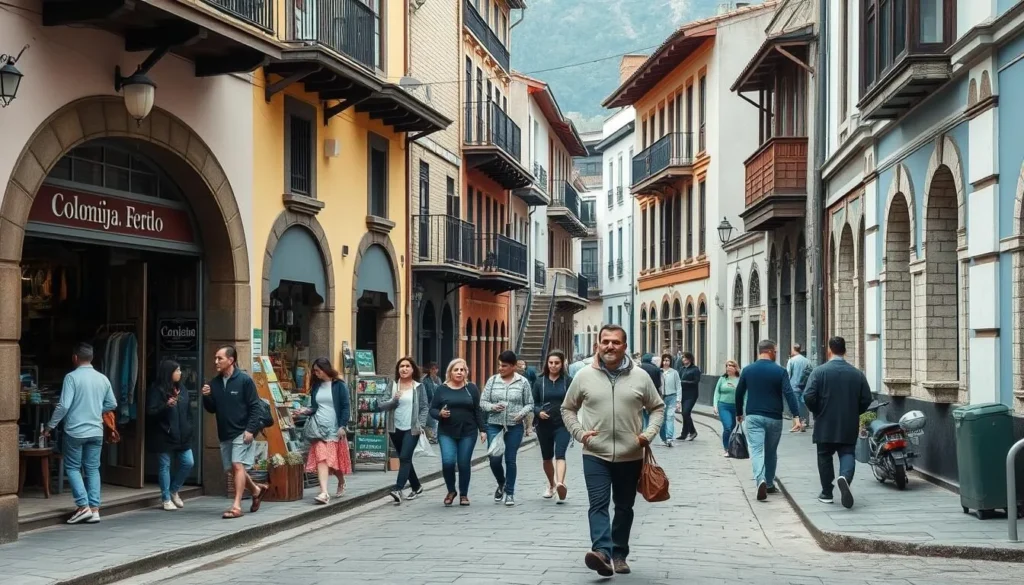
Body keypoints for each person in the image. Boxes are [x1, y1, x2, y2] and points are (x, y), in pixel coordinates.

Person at [562, 324, 665, 577]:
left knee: (624, 507)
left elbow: (658, 408)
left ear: (624, 347)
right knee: (598, 504)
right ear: (598, 344)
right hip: (594, 452)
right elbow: (568, 408)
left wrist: (647, 435)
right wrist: (579, 433)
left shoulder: (640, 376)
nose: (610, 346)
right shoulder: (583, 376)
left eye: (615, 342)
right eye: (605, 341)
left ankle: (619, 553)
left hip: (631, 454)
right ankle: (602, 553)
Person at [44, 342, 117, 524]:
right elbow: (112, 404)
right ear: (91, 358)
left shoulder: (71, 378)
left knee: (73, 468)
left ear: (75, 358)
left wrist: (50, 426)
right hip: (96, 431)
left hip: (75, 431)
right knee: (93, 469)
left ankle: (83, 506)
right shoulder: (103, 379)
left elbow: (64, 405)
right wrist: (96, 409)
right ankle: (95, 509)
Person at [803, 336, 873, 509]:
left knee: (824, 455)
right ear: (845, 351)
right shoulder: (857, 374)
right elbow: (867, 399)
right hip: (848, 422)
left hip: (825, 422)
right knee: (847, 453)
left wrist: (817, 410)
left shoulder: (819, 372)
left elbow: (808, 396)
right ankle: (845, 479)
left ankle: (827, 492)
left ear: (829, 350)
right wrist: (855, 412)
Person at [202, 345, 267, 519]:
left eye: (220, 358)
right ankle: (256, 489)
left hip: (242, 430)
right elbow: (212, 409)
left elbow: (255, 406)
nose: (216, 361)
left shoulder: (244, 380)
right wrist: (206, 396)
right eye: (215, 358)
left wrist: (250, 430)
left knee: (238, 465)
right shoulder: (214, 383)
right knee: (231, 468)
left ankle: (237, 505)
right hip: (225, 432)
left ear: (231, 360)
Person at [735, 340, 803, 501]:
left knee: (757, 451)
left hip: (753, 416)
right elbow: (789, 393)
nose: (776, 354)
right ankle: (770, 483)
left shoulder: (748, 370)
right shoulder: (779, 371)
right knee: (771, 452)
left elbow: (739, 393)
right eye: (776, 352)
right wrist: (796, 416)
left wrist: (739, 413)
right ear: (771, 351)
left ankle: (760, 480)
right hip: (774, 418)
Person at [429, 358, 487, 506]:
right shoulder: (442, 389)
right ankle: (451, 490)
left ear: (466, 372)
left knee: (463, 463)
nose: (459, 372)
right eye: (456, 370)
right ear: (450, 372)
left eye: (462, 370)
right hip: (446, 432)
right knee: (448, 462)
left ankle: (463, 494)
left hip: (468, 431)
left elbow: (477, 410)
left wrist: (483, 429)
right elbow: (432, 410)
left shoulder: (471, 388)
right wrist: (440, 413)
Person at [294, 357, 351, 504]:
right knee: (322, 457)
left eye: (317, 370)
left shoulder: (339, 385)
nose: (315, 373)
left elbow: (345, 407)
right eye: (314, 371)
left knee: (332, 461)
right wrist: (304, 411)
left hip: (333, 428)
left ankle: (341, 480)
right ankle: (324, 493)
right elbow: (315, 407)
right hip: (318, 428)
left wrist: (342, 426)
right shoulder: (316, 386)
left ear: (325, 369)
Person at [480, 350, 534, 506]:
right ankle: (502, 482)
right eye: (499, 365)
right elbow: (483, 402)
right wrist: (492, 407)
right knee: (494, 459)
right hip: (494, 424)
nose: (500, 368)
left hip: (514, 426)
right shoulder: (492, 381)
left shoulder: (522, 382)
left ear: (513, 367)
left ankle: (509, 493)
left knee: (510, 459)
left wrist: (521, 414)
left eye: (504, 366)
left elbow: (530, 403)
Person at [374, 357, 430, 505]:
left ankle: (398, 489)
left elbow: (424, 407)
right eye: (401, 366)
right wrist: (393, 400)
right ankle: (417, 486)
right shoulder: (393, 385)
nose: (404, 369)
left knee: (405, 457)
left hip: (412, 429)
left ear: (413, 370)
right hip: (395, 428)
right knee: (405, 458)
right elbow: (381, 405)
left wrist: (421, 425)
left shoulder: (418, 387)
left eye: (407, 366)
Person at [146, 359, 194, 511]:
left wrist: (189, 427)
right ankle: (166, 498)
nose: (180, 373)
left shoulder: (183, 389)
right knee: (164, 465)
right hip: (163, 434)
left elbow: (188, 412)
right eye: (177, 371)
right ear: (169, 373)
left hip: (182, 434)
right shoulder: (157, 389)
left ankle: (174, 490)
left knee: (188, 462)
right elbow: (150, 412)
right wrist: (165, 406)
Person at [533, 349, 572, 503]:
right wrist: (538, 412)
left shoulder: (568, 381)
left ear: (562, 364)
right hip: (544, 425)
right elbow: (533, 403)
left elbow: (574, 401)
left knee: (560, 453)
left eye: (557, 363)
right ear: (547, 364)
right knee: (547, 457)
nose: (553, 366)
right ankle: (551, 485)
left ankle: (561, 483)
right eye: (551, 363)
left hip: (562, 424)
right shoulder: (539, 381)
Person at [713, 360, 741, 457]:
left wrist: (743, 409)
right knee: (728, 427)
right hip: (723, 405)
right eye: (727, 366)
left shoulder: (739, 379)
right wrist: (715, 405)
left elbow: (744, 394)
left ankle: (732, 448)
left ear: (735, 368)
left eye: (731, 365)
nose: (728, 367)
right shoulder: (722, 379)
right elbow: (717, 392)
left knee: (733, 428)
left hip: (735, 406)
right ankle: (727, 449)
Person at [676, 352, 702, 441]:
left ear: (690, 359)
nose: (684, 360)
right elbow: (678, 380)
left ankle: (693, 431)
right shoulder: (681, 369)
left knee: (685, 412)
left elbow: (696, 381)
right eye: (683, 358)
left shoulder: (695, 369)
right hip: (683, 393)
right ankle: (684, 433)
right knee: (684, 414)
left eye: (686, 358)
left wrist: (683, 382)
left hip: (691, 394)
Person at [786, 344, 812, 431]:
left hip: (794, 385)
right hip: (805, 386)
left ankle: (797, 423)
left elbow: (788, 373)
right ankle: (805, 422)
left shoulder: (791, 361)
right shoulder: (807, 361)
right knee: (804, 404)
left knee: (796, 405)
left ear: (794, 350)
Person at [659, 353, 680, 447]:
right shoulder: (659, 372)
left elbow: (679, 387)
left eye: (667, 360)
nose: (665, 362)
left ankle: (669, 438)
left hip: (672, 396)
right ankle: (663, 437)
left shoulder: (674, 372)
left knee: (670, 417)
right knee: (662, 419)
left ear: (670, 361)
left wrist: (678, 400)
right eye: (664, 360)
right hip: (661, 397)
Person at [517, 359, 537, 435]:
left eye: (523, 364)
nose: (521, 366)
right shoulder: (512, 373)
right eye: (519, 364)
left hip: (528, 395)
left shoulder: (530, 372)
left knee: (529, 411)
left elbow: (535, 381)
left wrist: (533, 391)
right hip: (516, 396)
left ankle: (529, 427)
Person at [422, 361, 442, 443]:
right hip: (428, 403)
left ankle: (434, 437)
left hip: (437, 403)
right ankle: (431, 437)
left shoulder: (438, 379)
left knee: (436, 421)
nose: (434, 370)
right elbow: (424, 393)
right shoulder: (425, 380)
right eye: (433, 369)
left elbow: (441, 390)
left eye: (436, 369)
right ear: (430, 370)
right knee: (430, 421)